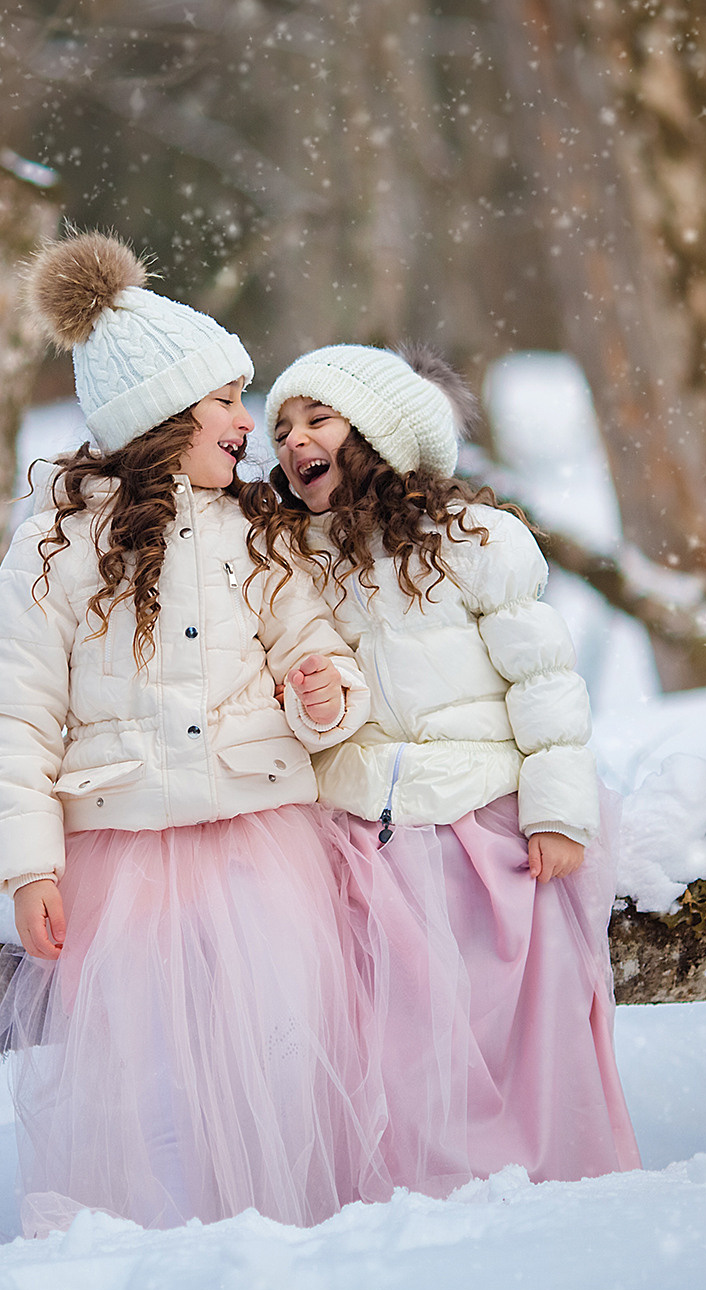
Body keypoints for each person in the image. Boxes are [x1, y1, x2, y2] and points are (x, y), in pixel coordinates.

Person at [0, 233, 381, 1237]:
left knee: (274, 1049)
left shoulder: (259, 533)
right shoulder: (55, 548)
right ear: (163, 414)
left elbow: (319, 653)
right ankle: (142, 1251)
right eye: (227, 400)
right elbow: (14, 714)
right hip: (123, 854)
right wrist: (28, 867)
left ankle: (275, 1246)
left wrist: (324, 695)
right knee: (139, 1069)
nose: (249, 423)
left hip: (256, 839)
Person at [264, 342, 640, 1189]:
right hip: (366, 827)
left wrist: (556, 810)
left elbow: (544, 684)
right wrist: (312, 703)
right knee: (398, 1030)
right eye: (281, 427)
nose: (292, 440)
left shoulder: (475, 541)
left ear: (379, 434)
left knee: (516, 1009)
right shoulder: (296, 563)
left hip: (485, 819)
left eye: (316, 418)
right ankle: (419, 1184)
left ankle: (543, 1170)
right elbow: (305, 693)